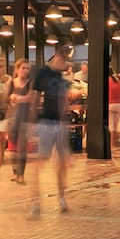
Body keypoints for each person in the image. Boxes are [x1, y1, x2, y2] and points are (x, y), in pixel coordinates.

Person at [26, 45, 74, 215]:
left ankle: (61, 197)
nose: (66, 63)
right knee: (41, 161)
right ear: (58, 56)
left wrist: (64, 120)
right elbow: (34, 98)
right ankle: (35, 201)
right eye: (64, 59)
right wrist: (32, 122)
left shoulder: (63, 75)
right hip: (46, 122)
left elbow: (64, 101)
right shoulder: (43, 73)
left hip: (59, 123)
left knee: (61, 163)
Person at [5, 56, 33, 181]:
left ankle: (21, 174)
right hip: (12, 118)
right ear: (17, 69)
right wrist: (11, 98)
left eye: (27, 69)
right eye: (23, 68)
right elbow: (6, 98)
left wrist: (17, 98)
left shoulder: (30, 83)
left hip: (24, 118)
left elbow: (30, 97)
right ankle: (15, 172)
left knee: (22, 147)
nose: (25, 71)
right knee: (12, 147)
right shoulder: (11, 83)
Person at [106, 71, 120, 143]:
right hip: (118, 105)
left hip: (110, 104)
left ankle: (111, 144)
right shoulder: (117, 81)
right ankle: (114, 142)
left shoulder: (106, 81)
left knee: (111, 126)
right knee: (115, 126)